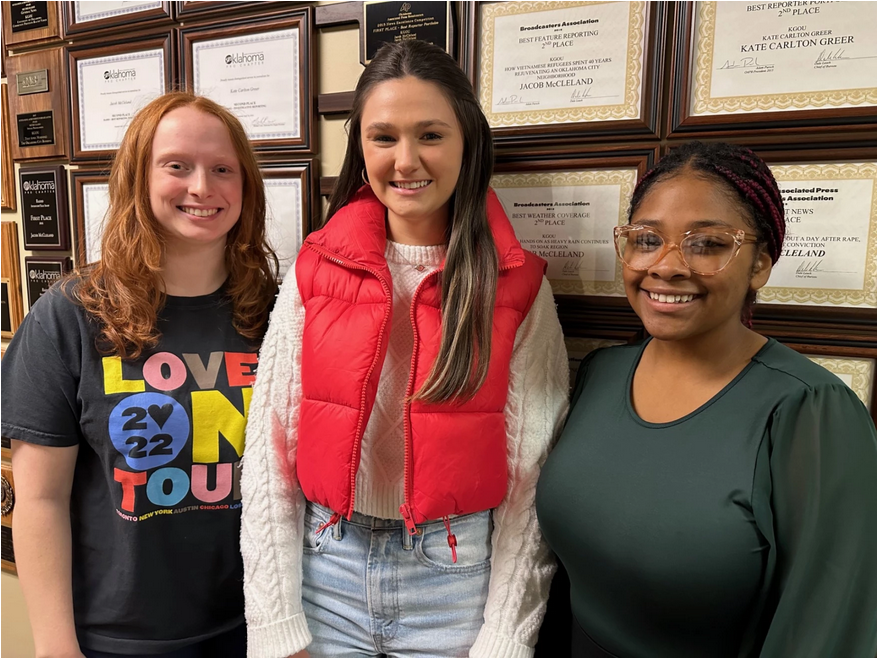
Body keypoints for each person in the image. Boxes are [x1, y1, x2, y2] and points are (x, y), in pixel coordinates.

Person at [240, 40, 570, 658]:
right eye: (383, 136)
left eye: (431, 135)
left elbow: (533, 475)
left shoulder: (517, 282)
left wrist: (506, 637)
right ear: (360, 147)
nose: (407, 159)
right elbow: (270, 449)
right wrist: (273, 621)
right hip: (325, 572)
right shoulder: (316, 266)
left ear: (468, 141)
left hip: (454, 581)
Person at [537, 141, 877, 657]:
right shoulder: (602, 372)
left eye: (707, 244)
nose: (667, 266)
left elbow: (828, 631)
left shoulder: (811, 412)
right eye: (648, 239)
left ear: (760, 263)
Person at [1, 92, 278, 657]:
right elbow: (39, 501)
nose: (202, 187)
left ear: (245, 187)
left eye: (223, 169)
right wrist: (56, 648)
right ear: (138, 179)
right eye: (177, 166)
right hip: (118, 639)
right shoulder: (72, 314)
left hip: (258, 628)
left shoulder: (277, 311)